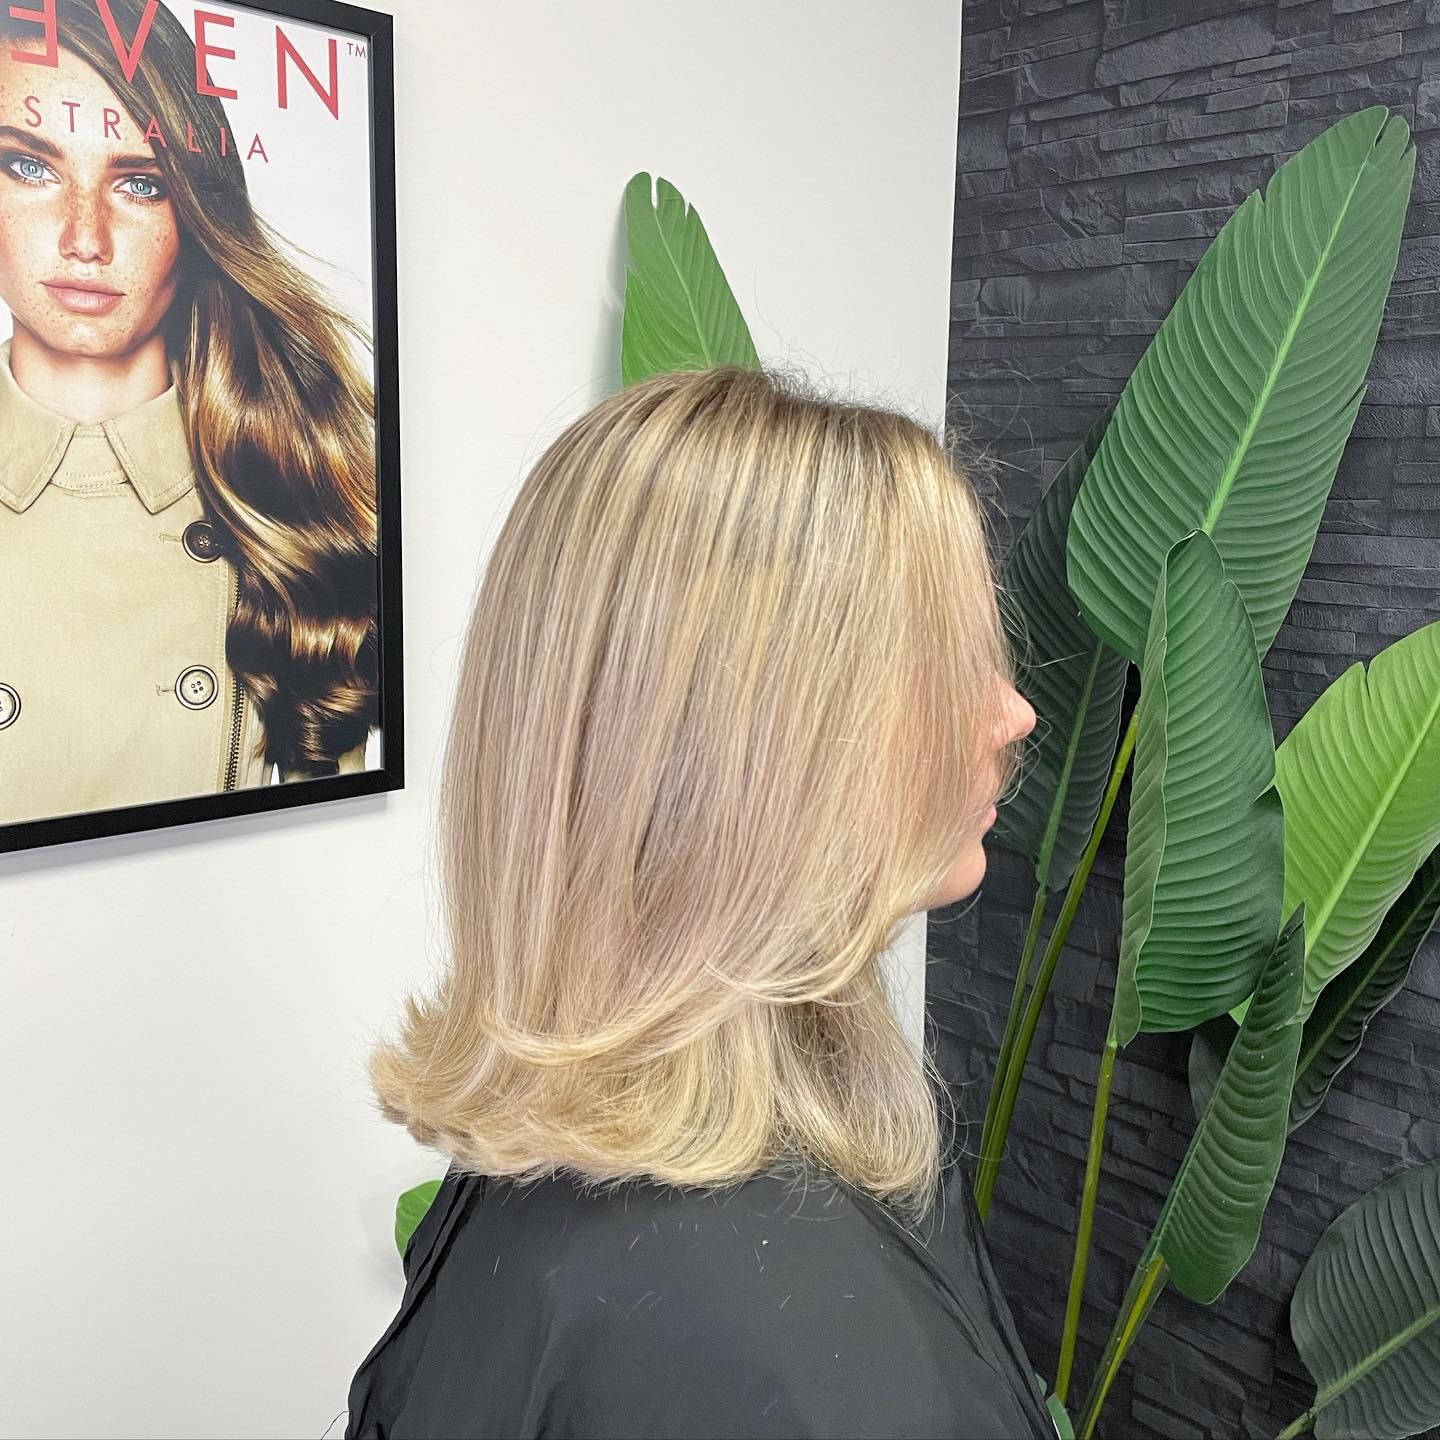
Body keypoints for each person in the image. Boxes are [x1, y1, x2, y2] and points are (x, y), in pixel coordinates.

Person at [344, 365, 1044, 1439]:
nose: (1013, 710)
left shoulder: (555, 1167)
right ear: (754, 753)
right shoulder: (771, 1358)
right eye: (941, 660)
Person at [0, 0, 377, 828]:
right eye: (31, 168)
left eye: (139, 182)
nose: (84, 238)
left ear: (197, 215)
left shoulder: (294, 494)